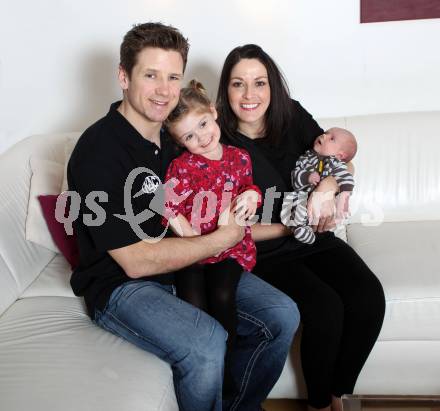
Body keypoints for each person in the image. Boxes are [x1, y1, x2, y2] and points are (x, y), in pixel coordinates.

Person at [67, 24, 299, 411]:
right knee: (206, 341)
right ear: (124, 76)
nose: (163, 89)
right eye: (150, 75)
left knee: (281, 314)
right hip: (123, 285)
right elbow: (136, 262)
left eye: (172, 76)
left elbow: (222, 201)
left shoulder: (179, 140)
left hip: (190, 266)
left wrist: (271, 220)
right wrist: (223, 238)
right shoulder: (99, 151)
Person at [216, 44, 386, 411]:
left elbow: (342, 162)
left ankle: (339, 396)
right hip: (267, 250)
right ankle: (319, 405)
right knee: (325, 309)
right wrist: (290, 227)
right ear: (225, 90)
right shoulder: (218, 139)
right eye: (238, 84)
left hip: (316, 238)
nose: (250, 95)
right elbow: (226, 227)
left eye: (259, 83)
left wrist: (326, 189)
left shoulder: (291, 115)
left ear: (272, 86)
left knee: (369, 297)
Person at [163, 79, 262, 393]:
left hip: (230, 247)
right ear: (180, 142)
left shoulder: (239, 157)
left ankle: (229, 368)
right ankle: (206, 370)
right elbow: (165, 203)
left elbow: (250, 186)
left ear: (213, 113)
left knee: (222, 296)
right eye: (190, 136)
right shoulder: (182, 167)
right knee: (194, 307)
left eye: (203, 124)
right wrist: (185, 230)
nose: (202, 137)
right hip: (192, 249)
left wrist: (252, 198)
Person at [280, 127, 357, 244]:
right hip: (302, 197)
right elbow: (295, 176)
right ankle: (301, 229)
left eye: (332, 139)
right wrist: (307, 177)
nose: (324, 136)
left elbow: (347, 180)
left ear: (340, 155)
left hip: (324, 211)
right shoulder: (305, 158)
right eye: (325, 133)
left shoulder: (336, 164)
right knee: (294, 203)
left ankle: (305, 228)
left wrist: (343, 201)